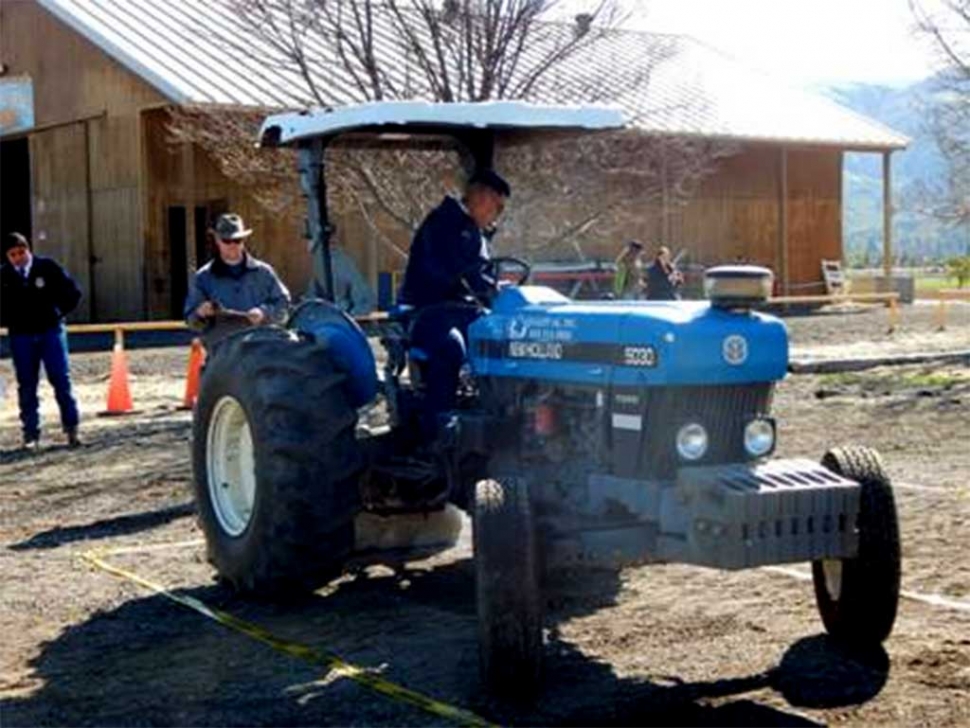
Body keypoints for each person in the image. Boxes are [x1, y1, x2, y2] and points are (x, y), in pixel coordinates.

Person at [399, 169, 511, 441]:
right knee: (451, 346)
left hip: (463, 311)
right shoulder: (442, 224)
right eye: (497, 208)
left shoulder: (472, 230)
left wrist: (498, 290)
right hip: (428, 311)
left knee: (506, 340)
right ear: (482, 198)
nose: (497, 216)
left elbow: (479, 275)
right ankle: (438, 428)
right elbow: (450, 272)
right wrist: (484, 285)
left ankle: (502, 415)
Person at [0, 233, 82, 450]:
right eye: (13, 255)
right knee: (27, 384)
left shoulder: (47, 267)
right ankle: (30, 434)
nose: (18, 258)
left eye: (21, 252)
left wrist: (58, 312)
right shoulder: (5, 276)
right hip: (21, 336)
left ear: (28, 249)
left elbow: (73, 292)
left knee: (61, 380)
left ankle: (72, 429)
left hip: (50, 332)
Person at [184, 213, 291, 346]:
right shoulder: (203, 277)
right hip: (222, 356)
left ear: (244, 240)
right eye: (227, 241)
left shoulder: (264, 272)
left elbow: (283, 304)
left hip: (261, 352)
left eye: (237, 240)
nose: (232, 245)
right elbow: (191, 321)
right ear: (217, 240)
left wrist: (264, 313)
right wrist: (200, 313)